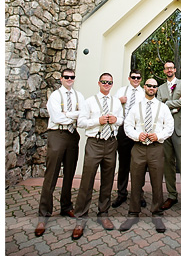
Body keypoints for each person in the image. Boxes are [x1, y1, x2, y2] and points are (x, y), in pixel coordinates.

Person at [71, 73, 123, 240]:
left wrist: (116, 119)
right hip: (95, 142)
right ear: (99, 83)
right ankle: (80, 218)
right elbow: (81, 122)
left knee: (108, 180)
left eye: (110, 82)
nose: (107, 84)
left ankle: (103, 213)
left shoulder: (116, 101)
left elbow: (121, 120)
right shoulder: (90, 101)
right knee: (87, 180)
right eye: (104, 82)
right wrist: (98, 120)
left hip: (111, 143)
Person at [35, 68, 85, 237]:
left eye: (72, 77)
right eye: (66, 77)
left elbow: (83, 116)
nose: (69, 79)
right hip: (57, 134)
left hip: (72, 135)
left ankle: (66, 206)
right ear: (61, 78)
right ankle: (44, 214)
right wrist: (74, 115)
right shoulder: (56, 96)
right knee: (51, 175)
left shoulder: (79, 96)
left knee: (69, 174)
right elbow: (57, 118)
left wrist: (69, 114)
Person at [119, 78, 174, 233]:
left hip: (156, 147)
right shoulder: (136, 107)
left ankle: (157, 213)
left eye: (154, 86)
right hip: (139, 148)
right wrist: (137, 135)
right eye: (149, 85)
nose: (151, 88)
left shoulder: (163, 107)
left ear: (157, 89)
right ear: (145, 87)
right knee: (136, 180)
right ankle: (133, 213)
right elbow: (128, 125)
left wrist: (159, 135)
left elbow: (169, 127)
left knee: (157, 182)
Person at [157, 61, 181, 214]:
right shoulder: (160, 88)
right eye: (166, 68)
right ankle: (172, 195)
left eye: (171, 68)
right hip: (165, 129)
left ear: (174, 69)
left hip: (180, 128)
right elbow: (159, 104)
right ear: (164, 70)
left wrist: (167, 103)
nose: (169, 70)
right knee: (168, 162)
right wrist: (174, 105)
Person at [112, 69, 145, 208]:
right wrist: (119, 101)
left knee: (139, 163)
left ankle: (139, 194)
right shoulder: (121, 91)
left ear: (141, 79)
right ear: (129, 78)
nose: (136, 80)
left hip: (138, 130)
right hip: (123, 128)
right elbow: (112, 105)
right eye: (133, 77)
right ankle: (122, 193)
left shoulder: (144, 93)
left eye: (138, 77)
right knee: (124, 162)